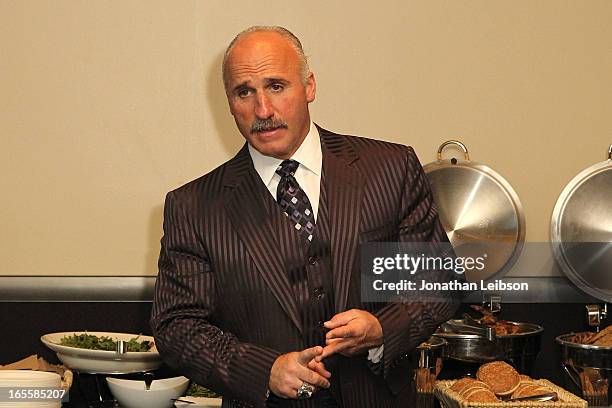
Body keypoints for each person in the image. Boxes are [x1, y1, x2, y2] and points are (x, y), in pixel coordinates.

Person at [150, 26, 459, 408]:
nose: (262, 110)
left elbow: (437, 280)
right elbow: (177, 327)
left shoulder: (390, 169)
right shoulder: (193, 206)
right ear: (230, 102)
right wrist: (263, 370)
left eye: (276, 86)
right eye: (244, 92)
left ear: (309, 86)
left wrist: (383, 328)